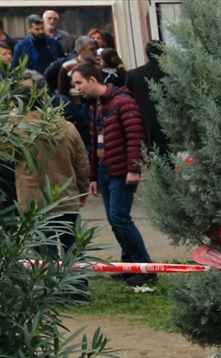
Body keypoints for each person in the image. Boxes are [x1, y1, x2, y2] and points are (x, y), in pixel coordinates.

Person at [70, 62, 155, 286]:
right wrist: (94, 177)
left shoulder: (122, 101)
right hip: (104, 170)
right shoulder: (93, 107)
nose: (76, 88)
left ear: (92, 80)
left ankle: (145, 266)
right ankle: (129, 265)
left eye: (78, 82)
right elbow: (94, 142)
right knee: (114, 219)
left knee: (120, 217)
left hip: (121, 171)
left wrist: (134, 168)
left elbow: (135, 135)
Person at [12, 82, 89, 262]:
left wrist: (11, 121)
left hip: (35, 200)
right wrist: (82, 191)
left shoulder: (18, 131)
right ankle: (79, 287)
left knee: (44, 249)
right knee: (73, 246)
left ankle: (51, 288)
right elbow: (82, 162)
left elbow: (4, 153)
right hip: (67, 196)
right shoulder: (67, 126)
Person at [125, 41, 168, 155]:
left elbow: (127, 97)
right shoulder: (169, 73)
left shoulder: (133, 74)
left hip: (142, 124)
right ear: (163, 53)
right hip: (167, 126)